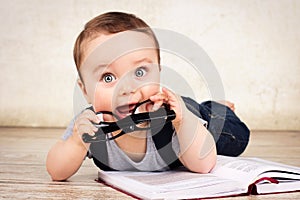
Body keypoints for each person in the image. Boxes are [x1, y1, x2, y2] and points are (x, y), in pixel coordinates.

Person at [46, 12, 250, 181]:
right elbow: (56, 172)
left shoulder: (173, 117)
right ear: (84, 91)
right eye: (108, 77)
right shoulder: (90, 126)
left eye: (139, 73)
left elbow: (204, 165)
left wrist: (184, 122)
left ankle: (216, 107)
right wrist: (76, 143)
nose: (126, 89)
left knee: (232, 134)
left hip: (194, 118)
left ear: (159, 71)